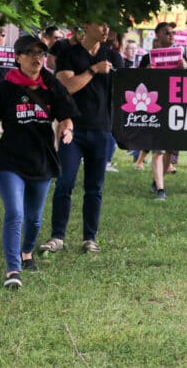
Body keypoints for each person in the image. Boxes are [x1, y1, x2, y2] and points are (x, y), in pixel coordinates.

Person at [0, 35, 78, 289]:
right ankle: (13, 269)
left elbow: (66, 116)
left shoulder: (52, 85)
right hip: (10, 161)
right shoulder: (5, 88)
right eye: (31, 53)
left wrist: (67, 130)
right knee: (15, 213)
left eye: (41, 53)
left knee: (35, 219)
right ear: (18, 58)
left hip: (42, 160)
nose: (38, 57)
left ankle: (27, 252)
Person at [40, 22, 123, 254]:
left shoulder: (114, 57)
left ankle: (90, 238)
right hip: (72, 130)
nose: (106, 29)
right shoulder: (68, 54)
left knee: (94, 188)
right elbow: (65, 85)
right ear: (87, 26)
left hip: (102, 130)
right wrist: (93, 70)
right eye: (101, 24)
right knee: (64, 183)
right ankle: (57, 236)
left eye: (108, 24)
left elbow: (125, 92)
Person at [138, 22, 183, 200]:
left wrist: (183, 69)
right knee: (158, 150)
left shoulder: (180, 55)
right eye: (167, 33)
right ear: (157, 35)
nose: (171, 36)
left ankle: (158, 181)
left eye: (173, 33)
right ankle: (161, 190)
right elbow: (136, 82)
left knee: (169, 150)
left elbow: (186, 82)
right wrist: (147, 73)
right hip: (154, 107)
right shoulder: (147, 58)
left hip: (173, 107)